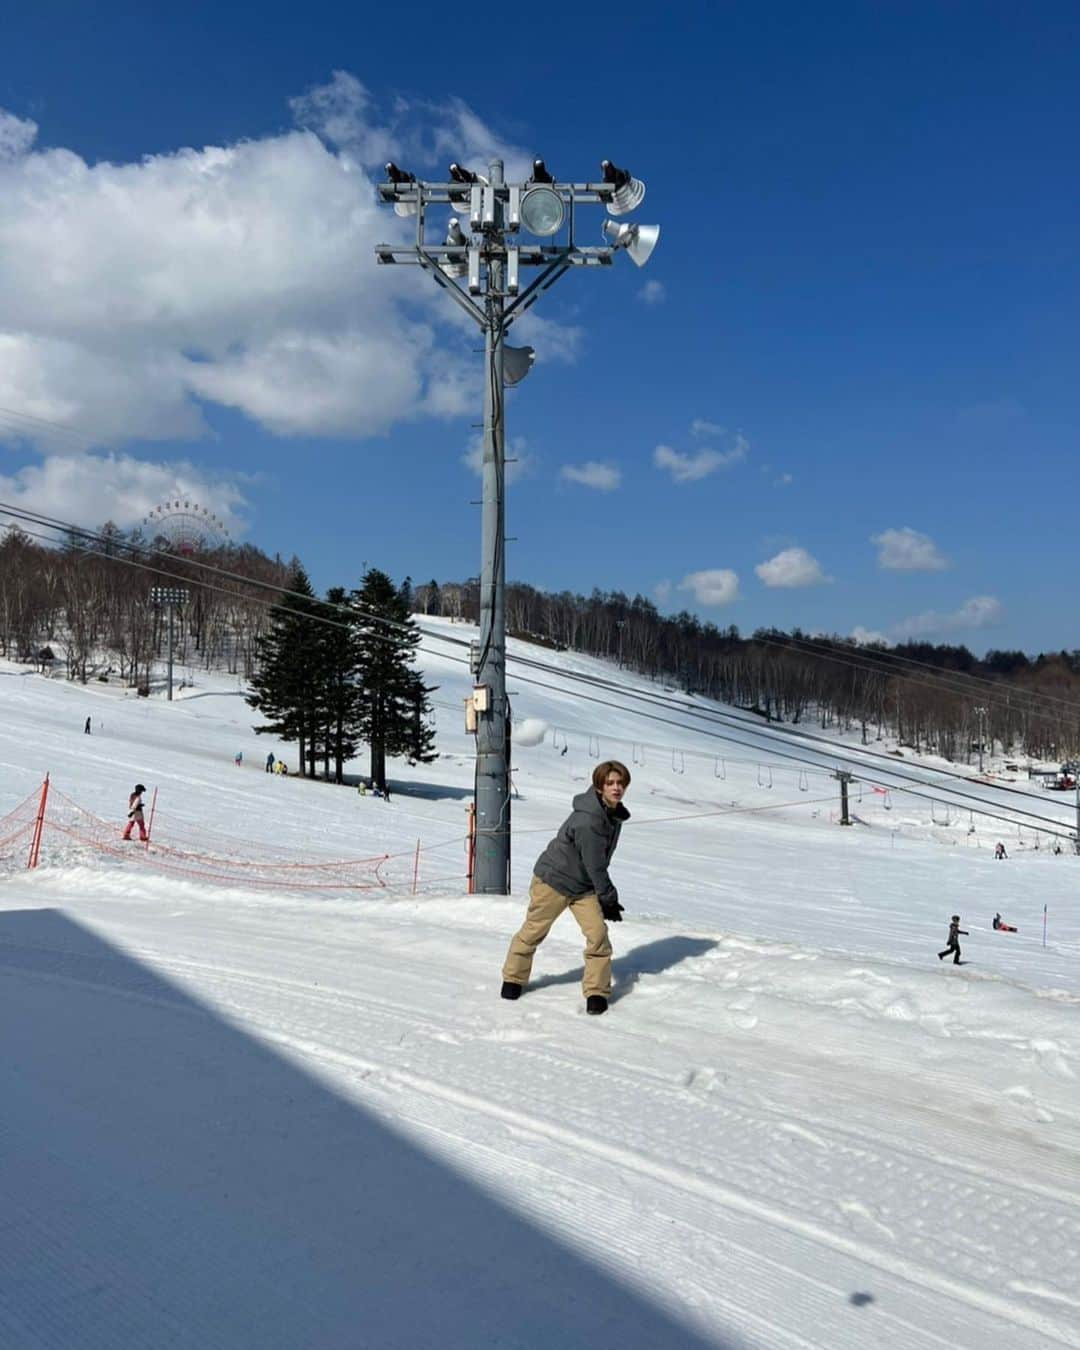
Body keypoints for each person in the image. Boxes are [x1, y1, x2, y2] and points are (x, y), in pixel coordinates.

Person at [501, 760, 630, 1015]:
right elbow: (595, 865)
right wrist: (609, 898)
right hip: (554, 881)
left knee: (598, 936)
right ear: (599, 786)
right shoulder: (589, 819)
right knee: (534, 930)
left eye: (620, 783)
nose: (616, 788)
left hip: (583, 887)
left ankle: (596, 992)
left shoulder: (610, 813)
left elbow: (595, 866)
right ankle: (513, 979)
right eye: (610, 783)